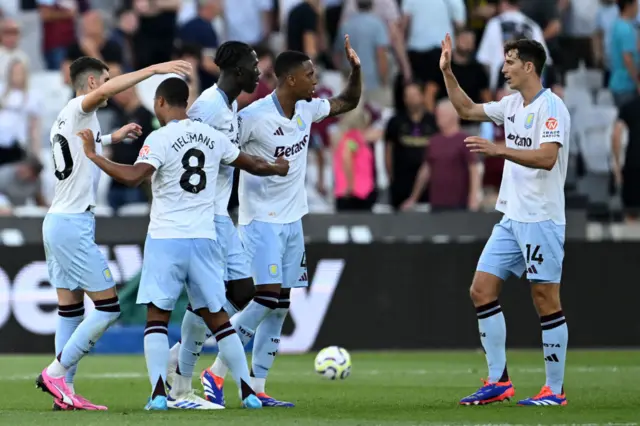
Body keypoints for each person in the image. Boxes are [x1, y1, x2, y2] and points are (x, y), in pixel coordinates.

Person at [77, 77, 290, 411]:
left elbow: (134, 177)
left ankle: (160, 395)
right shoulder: (213, 137)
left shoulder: (159, 138)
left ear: (161, 103)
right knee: (219, 319)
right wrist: (277, 167)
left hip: (166, 239)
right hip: (204, 238)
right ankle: (248, 391)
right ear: (185, 103)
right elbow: (251, 164)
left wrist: (93, 155)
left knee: (157, 319)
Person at [196, 35, 362, 408]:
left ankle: (256, 386)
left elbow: (349, 101)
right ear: (290, 80)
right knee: (266, 297)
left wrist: (357, 70)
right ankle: (216, 371)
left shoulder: (307, 110)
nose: (315, 80)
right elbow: (221, 154)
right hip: (259, 222)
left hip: (292, 221)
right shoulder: (252, 118)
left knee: (281, 304)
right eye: (309, 74)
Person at [36, 56, 191, 411]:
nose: (109, 85)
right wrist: (153, 70)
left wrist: (112, 136)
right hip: (72, 223)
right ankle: (56, 373)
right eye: (105, 79)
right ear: (92, 84)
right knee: (108, 306)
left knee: (70, 310)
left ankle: (65, 391)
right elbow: (107, 91)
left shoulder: (68, 117)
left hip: (57, 221)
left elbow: (77, 146)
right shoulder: (80, 105)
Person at [439, 33, 571, 406]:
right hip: (511, 217)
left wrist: (499, 149)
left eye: (510, 61)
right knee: (481, 290)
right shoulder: (509, 104)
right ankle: (499, 381)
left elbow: (546, 158)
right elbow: (466, 110)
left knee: (545, 299)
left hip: (541, 217)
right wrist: (448, 72)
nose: (504, 68)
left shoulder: (553, 108)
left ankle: (554, 390)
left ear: (529, 66)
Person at [164, 41, 262, 407]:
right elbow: (184, 151)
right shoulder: (206, 107)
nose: (258, 71)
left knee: (239, 295)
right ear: (237, 70)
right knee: (215, 298)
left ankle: (179, 356)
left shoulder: (229, 104)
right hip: (205, 216)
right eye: (253, 65)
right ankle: (182, 379)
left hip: (222, 215)